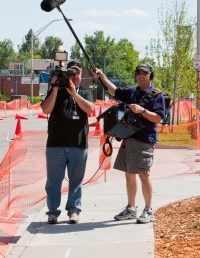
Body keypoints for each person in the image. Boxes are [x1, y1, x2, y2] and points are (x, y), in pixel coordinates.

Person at [93, 63, 165, 223]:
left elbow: (158, 118)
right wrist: (102, 76)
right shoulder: (132, 92)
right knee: (129, 174)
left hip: (144, 141)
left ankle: (148, 210)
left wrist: (142, 111)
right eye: (138, 73)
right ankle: (131, 208)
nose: (140, 76)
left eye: (144, 74)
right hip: (128, 139)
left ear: (150, 76)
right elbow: (114, 91)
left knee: (144, 175)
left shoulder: (156, 95)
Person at [41, 60, 95, 225]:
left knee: (76, 181)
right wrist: (56, 87)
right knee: (53, 181)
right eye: (70, 73)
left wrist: (74, 93)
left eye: (77, 73)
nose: (74, 76)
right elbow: (46, 109)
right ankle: (52, 212)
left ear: (81, 75)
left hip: (78, 145)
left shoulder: (84, 93)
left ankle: (73, 210)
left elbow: (90, 109)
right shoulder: (54, 91)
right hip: (55, 145)